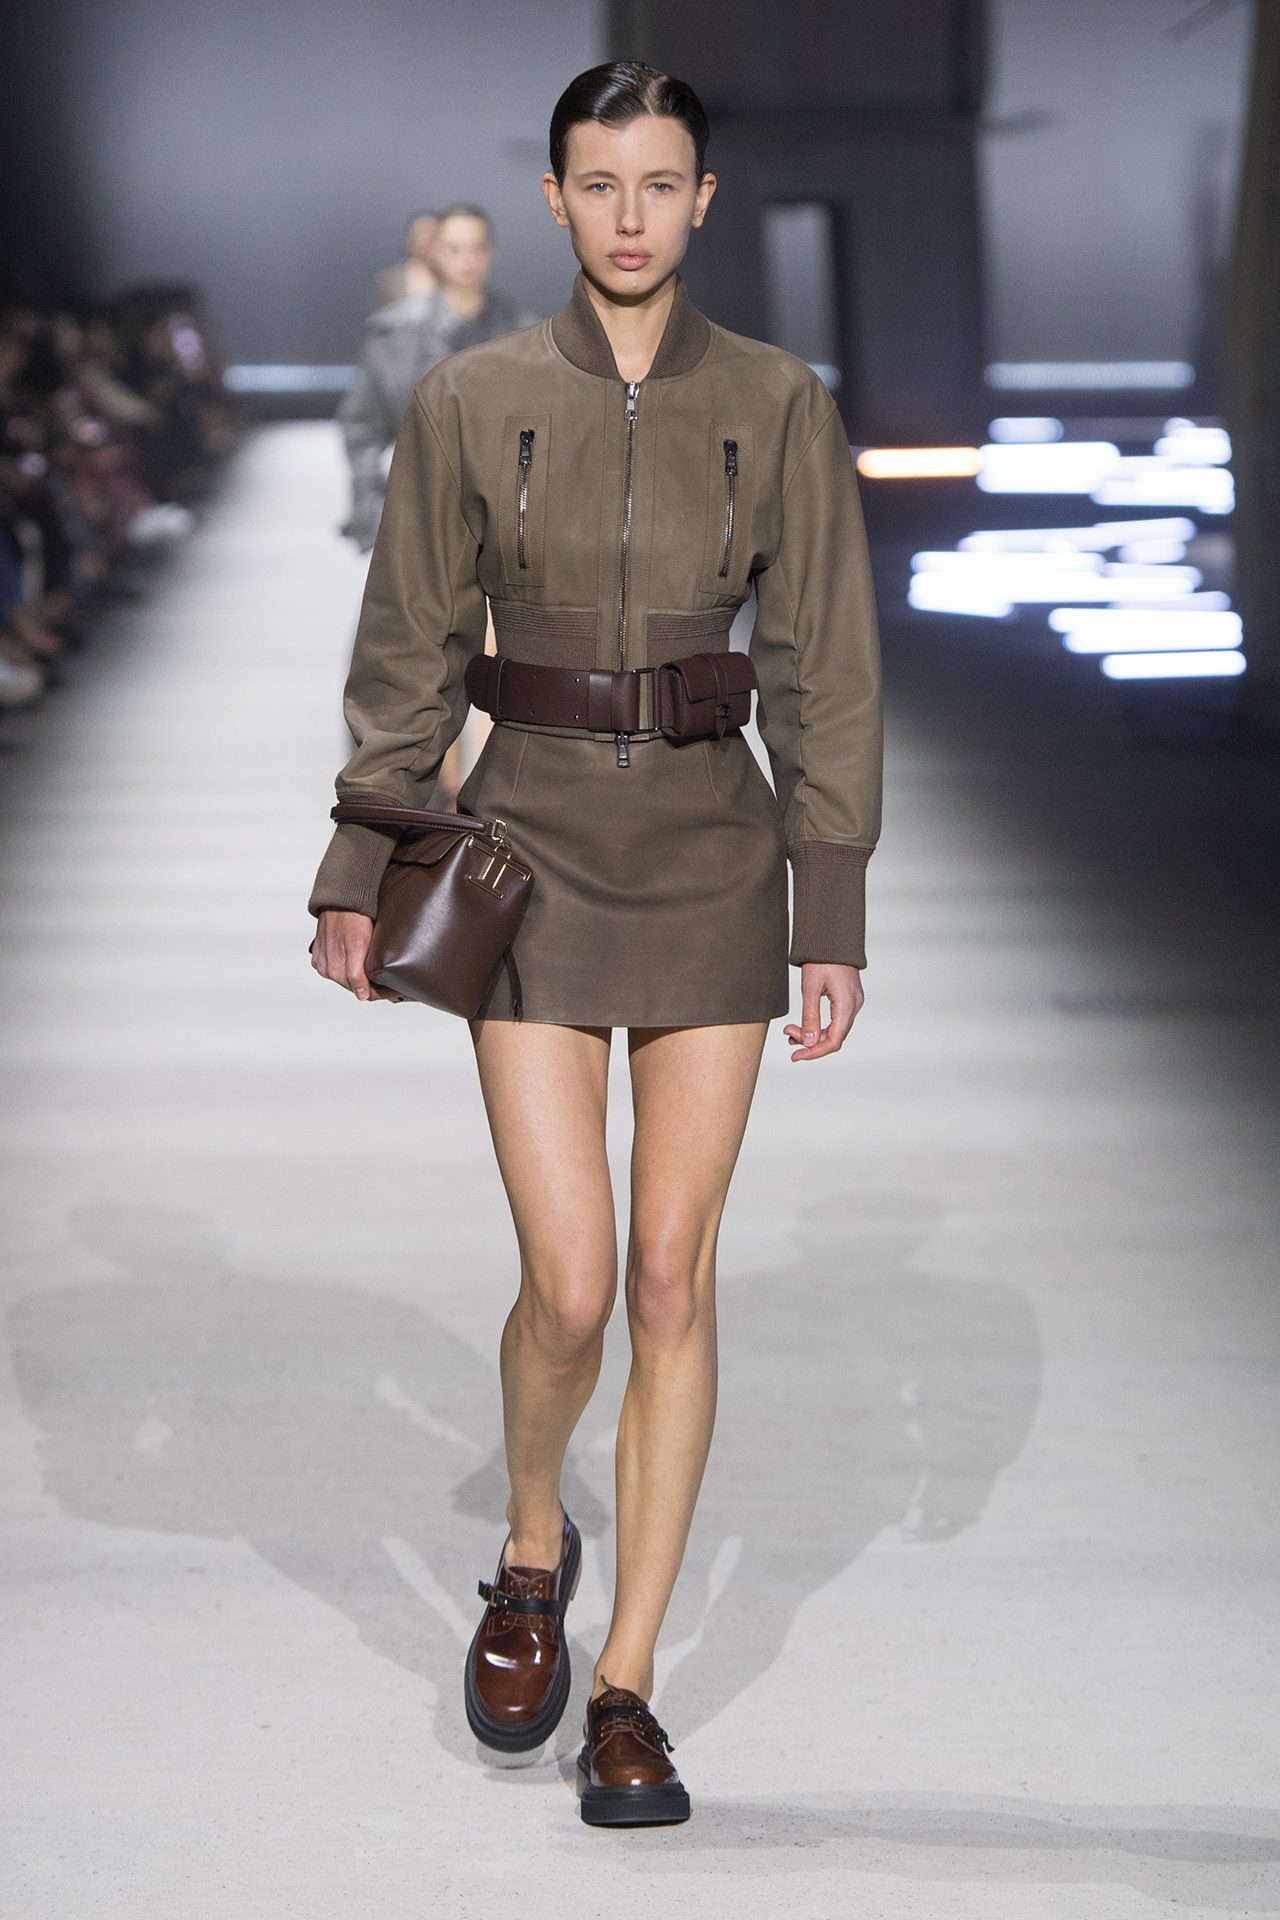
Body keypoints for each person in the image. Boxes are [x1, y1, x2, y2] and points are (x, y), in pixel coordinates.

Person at [308, 61, 882, 1827]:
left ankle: (627, 1687)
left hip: (711, 851)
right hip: (528, 847)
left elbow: (824, 664)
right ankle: (532, 1543)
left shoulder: (778, 401)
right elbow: (409, 640)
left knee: (668, 1278)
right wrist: (360, 856)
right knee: (567, 1284)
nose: (632, 215)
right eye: (601, 183)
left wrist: (830, 897)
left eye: (661, 183)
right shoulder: (472, 398)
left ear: (703, 197)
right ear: (555, 197)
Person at [338, 205, 539, 554]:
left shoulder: (526, 335)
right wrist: (373, 510)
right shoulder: (394, 333)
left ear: (492, 253)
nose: (467, 260)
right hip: (414, 511)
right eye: (455, 249)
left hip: (498, 518)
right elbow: (362, 425)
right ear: (435, 253)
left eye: (476, 248)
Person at [370, 209, 440, 313]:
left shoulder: (454, 278)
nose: (427, 238)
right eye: (421, 232)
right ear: (409, 240)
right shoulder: (391, 281)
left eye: (432, 233)